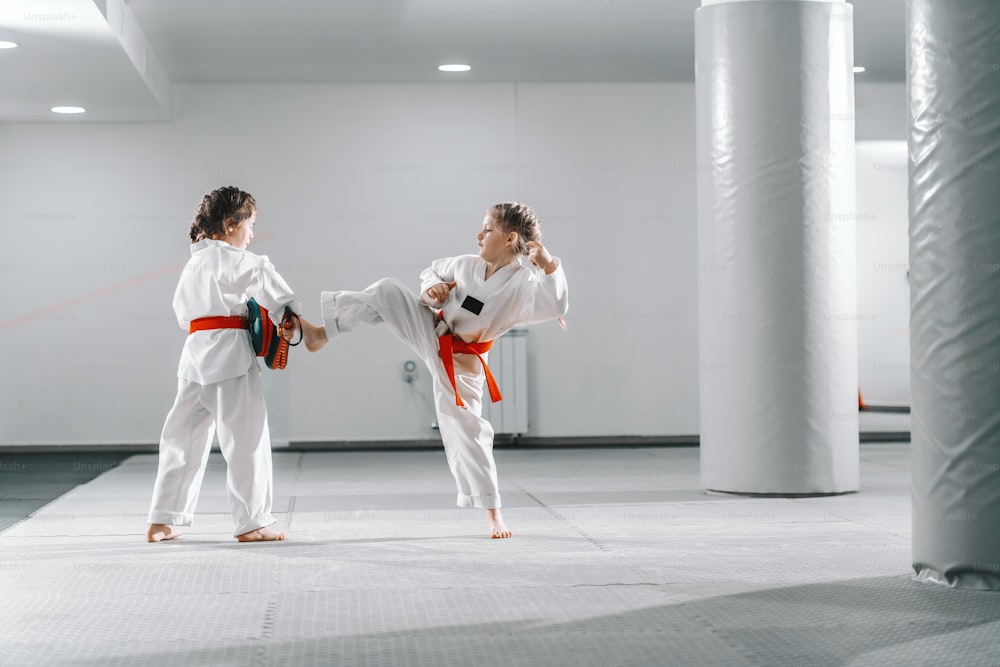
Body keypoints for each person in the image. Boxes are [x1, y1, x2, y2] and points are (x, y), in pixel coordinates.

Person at [301, 202, 569, 538]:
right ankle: (320, 334)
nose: (479, 235)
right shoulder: (466, 264)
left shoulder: (523, 284)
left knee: (470, 430)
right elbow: (432, 272)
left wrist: (548, 265)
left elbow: (556, 304)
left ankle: (493, 514)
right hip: (432, 331)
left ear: (509, 237)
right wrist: (432, 291)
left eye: (487, 229)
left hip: (462, 365)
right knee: (388, 290)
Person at [146, 186, 322, 543]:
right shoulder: (245, 261)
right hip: (231, 357)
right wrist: (297, 322)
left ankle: (162, 520)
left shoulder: (194, 263)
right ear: (229, 224)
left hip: (194, 355)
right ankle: (252, 522)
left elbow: (183, 316)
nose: (252, 234)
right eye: (251, 224)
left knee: (182, 438)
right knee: (246, 439)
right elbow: (279, 297)